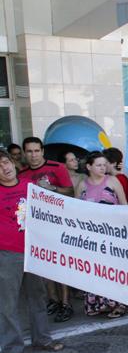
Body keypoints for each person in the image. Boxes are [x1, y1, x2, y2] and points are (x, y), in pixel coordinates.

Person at [0, 150, 64, 353]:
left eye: (6, 162)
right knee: (7, 304)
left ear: (13, 163)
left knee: (37, 296)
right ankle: (12, 348)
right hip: (7, 254)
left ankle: (42, 339)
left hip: (33, 251)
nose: (4, 168)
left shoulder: (30, 186)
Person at [20, 137, 75, 322]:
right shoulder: (22, 173)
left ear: (42, 151)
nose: (33, 155)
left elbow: (70, 191)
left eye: (36, 151)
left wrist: (51, 188)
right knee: (44, 264)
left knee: (60, 263)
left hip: (58, 222)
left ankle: (66, 303)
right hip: (36, 224)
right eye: (29, 151)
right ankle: (53, 300)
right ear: (25, 153)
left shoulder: (57, 167)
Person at [75, 152, 128, 318]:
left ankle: (118, 304)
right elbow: (75, 209)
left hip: (112, 234)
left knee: (112, 269)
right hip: (90, 236)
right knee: (94, 269)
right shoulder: (82, 185)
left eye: (104, 165)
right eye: (98, 165)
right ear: (89, 167)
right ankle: (97, 303)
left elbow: (124, 205)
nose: (102, 168)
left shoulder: (113, 181)